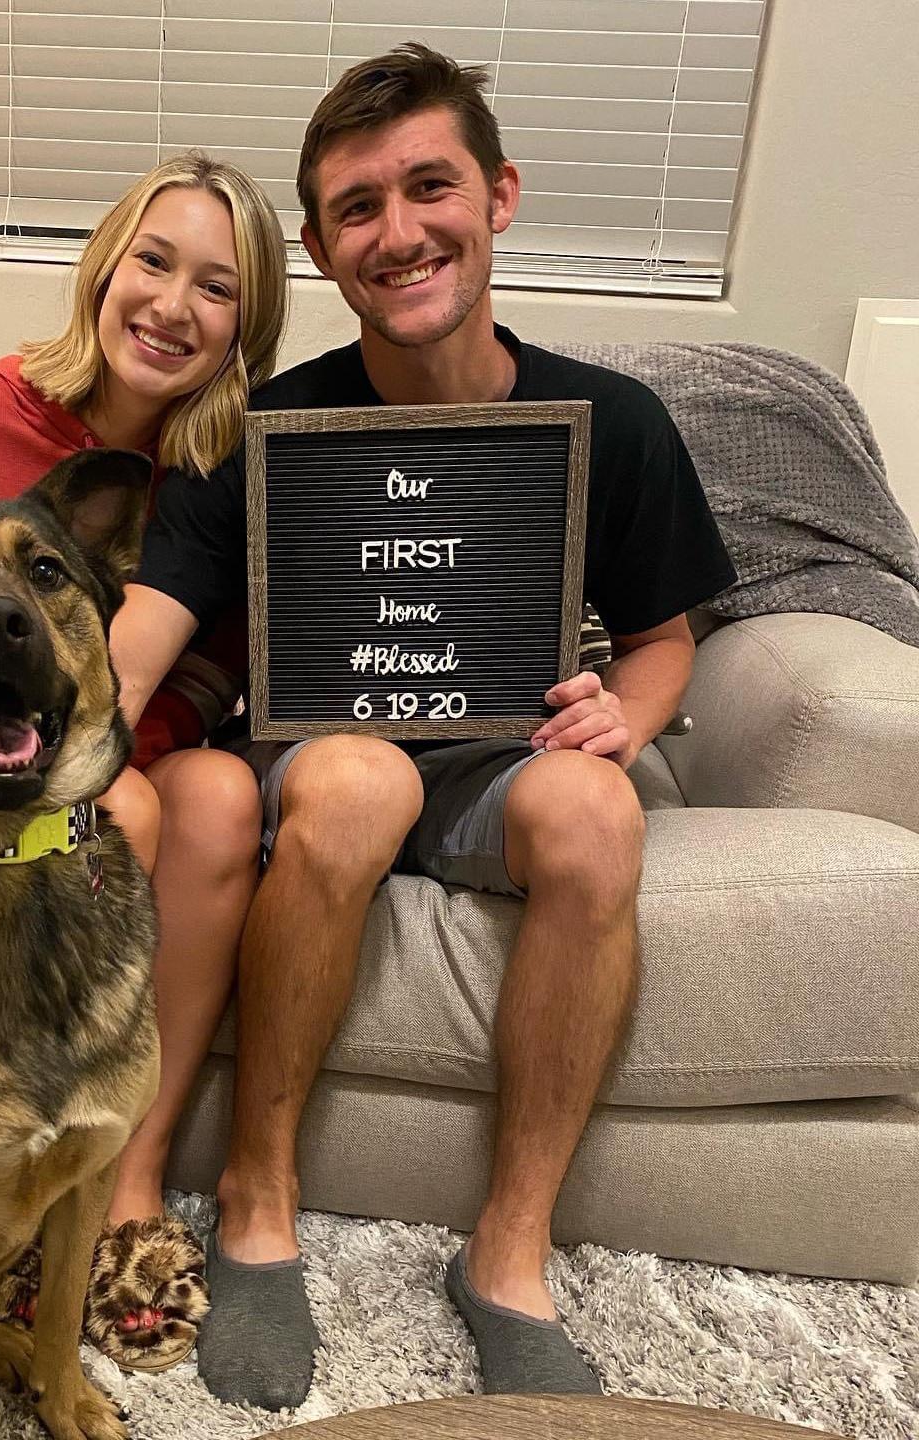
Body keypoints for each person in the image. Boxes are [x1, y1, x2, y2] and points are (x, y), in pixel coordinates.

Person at [109, 45, 737, 1409]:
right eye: (356, 208)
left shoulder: (612, 424)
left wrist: (625, 716)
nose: (397, 232)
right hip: (319, 760)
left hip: (501, 754)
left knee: (597, 813)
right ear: (322, 251)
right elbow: (144, 630)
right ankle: (258, 1199)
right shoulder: (263, 427)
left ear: (498, 195)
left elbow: (663, 639)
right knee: (354, 779)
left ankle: (508, 1256)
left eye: (429, 187)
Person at [0, 152, 290, 1371]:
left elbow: (225, 661)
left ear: (246, 326)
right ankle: (4, 1179)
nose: (172, 305)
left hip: (142, 751)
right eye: (153, 263)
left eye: (216, 288)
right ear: (104, 270)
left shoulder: (227, 470)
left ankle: (128, 1177)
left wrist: (150, 738)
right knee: (130, 812)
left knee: (217, 797)